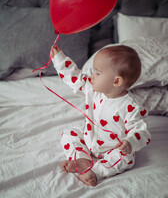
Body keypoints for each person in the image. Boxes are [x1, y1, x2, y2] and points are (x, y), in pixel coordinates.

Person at [51, 45, 151, 186]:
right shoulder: (93, 89)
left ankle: (95, 171)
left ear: (116, 81)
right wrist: (59, 58)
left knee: (127, 158)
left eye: (97, 73)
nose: (91, 76)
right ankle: (82, 159)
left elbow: (142, 131)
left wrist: (130, 142)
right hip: (89, 139)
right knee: (69, 133)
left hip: (113, 149)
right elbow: (74, 77)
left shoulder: (131, 107)